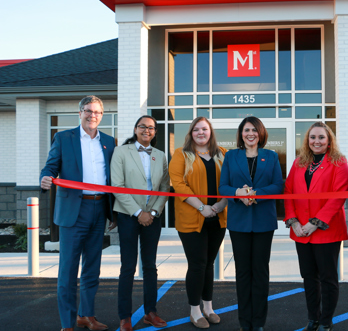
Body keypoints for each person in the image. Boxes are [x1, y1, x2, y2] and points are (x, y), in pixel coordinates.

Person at [40, 95, 116, 331]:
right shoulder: (64, 137)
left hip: (99, 208)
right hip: (74, 210)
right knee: (68, 271)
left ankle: (87, 315)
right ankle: (67, 324)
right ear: (80, 112)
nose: (92, 115)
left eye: (97, 112)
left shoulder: (109, 141)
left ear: (101, 116)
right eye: (88, 111)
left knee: (92, 268)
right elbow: (51, 165)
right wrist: (46, 177)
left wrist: (113, 212)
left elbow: (113, 177)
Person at [219, 116, 283, 331]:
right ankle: (244, 322)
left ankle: (259, 322)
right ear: (241, 133)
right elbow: (223, 187)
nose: (250, 134)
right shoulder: (231, 156)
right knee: (243, 273)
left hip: (264, 222)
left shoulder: (271, 156)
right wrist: (238, 193)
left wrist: (255, 193)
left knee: (260, 273)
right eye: (247, 130)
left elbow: (277, 186)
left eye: (254, 130)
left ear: (261, 133)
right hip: (239, 223)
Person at [284, 122, 348, 331]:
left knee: (328, 278)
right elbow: (288, 192)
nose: (316, 141)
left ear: (329, 140)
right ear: (307, 140)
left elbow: (338, 196)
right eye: (313, 137)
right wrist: (293, 221)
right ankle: (313, 319)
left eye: (321, 137)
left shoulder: (338, 162)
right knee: (309, 277)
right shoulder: (299, 162)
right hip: (301, 230)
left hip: (326, 230)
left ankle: (326, 322)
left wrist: (315, 223)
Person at [110, 115, 169, 331]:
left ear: (155, 132)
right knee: (128, 267)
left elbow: (164, 186)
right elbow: (117, 186)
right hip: (128, 215)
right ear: (135, 129)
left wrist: (152, 211)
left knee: (150, 266)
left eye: (151, 128)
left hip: (152, 216)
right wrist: (138, 213)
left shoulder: (160, 155)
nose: (147, 130)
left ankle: (150, 312)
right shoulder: (121, 152)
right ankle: (124, 316)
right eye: (143, 126)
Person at [169, 117, 228, 329]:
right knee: (197, 264)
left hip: (218, 215)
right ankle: (194, 310)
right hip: (192, 217)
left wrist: (220, 205)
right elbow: (179, 184)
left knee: (209, 264)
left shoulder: (222, 153)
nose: (200, 133)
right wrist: (202, 207)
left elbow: (230, 182)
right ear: (191, 133)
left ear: (210, 132)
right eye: (196, 129)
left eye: (204, 129)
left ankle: (208, 307)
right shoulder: (181, 154)